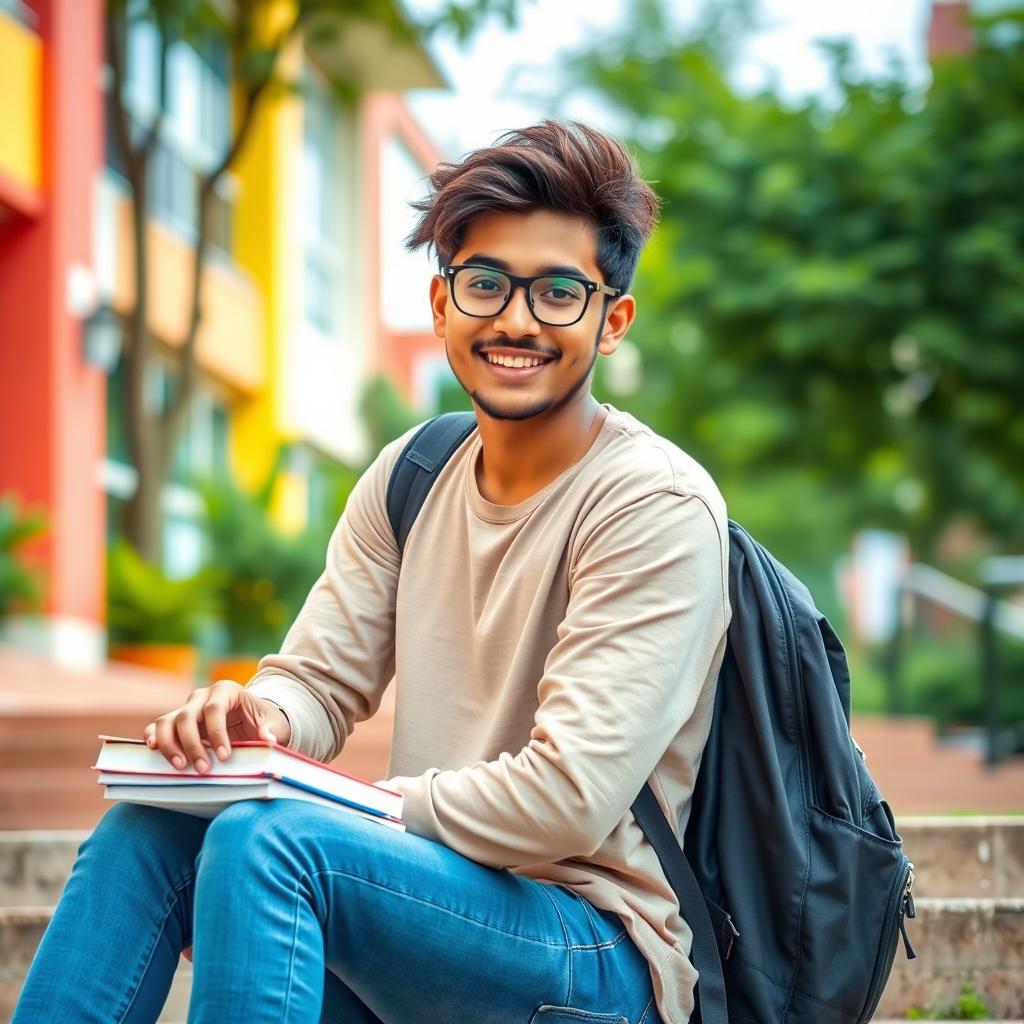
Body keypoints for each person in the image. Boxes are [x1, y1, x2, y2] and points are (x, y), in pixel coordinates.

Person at [14, 120, 730, 1024]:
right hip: (419, 912)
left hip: (588, 949)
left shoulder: (652, 505)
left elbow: (567, 801)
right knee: (148, 831)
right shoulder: (412, 474)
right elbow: (318, 680)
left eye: (558, 292)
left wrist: (338, 807)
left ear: (612, 320)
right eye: (485, 284)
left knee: (273, 841)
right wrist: (256, 722)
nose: (515, 319)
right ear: (441, 307)